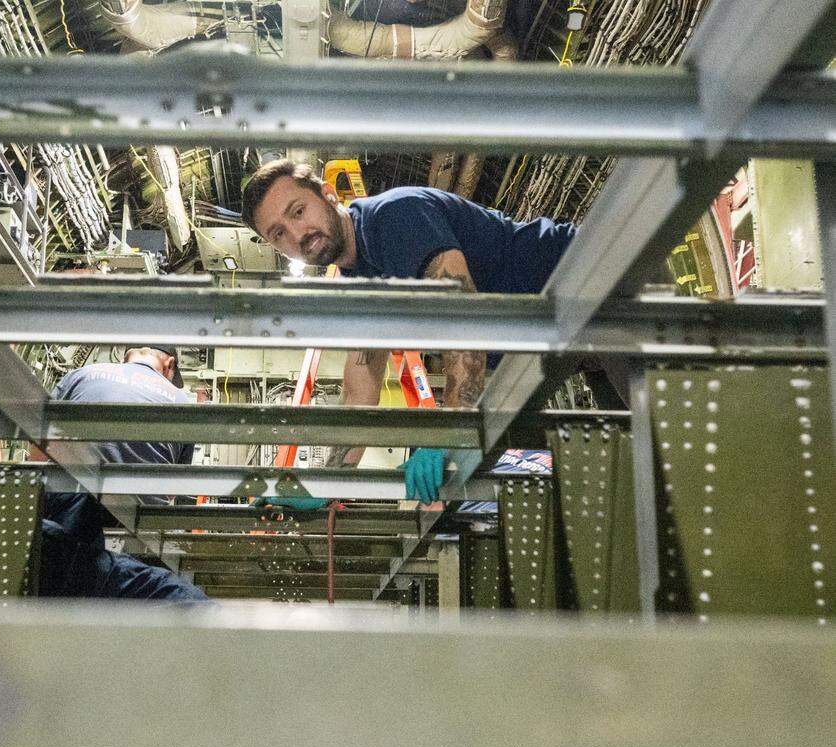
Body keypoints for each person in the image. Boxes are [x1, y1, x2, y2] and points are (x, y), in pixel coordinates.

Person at [242, 158, 597, 503]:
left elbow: (465, 319)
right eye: (279, 234)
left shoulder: (394, 217)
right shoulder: (361, 288)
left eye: (298, 211)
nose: (298, 234)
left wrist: (449, 436)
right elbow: (359, 393)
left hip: (591, 280)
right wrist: (324, 484)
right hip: (578, 341)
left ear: (328, 195)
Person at [36, 346, 209, 602]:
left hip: (68, 511)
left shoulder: (81, 375)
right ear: (169, 365)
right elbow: (172, 489)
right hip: (142, 523)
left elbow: (37, 454)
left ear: (125, 356)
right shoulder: (181, 401)